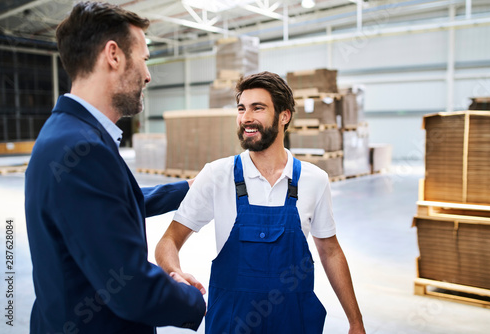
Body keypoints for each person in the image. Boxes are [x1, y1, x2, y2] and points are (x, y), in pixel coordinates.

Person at [24, 2, 205, 333]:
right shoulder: (83, 149)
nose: (148, 75)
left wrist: (186, 190)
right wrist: (195, 299)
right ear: (114, 55)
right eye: (145, 59)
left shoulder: (64, 133)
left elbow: (107, 206)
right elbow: (130, 290)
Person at [155, 71, 365, 333]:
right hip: (232, 323)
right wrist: (175, 272)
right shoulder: (217, 175)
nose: (246, 118)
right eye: (241, 109)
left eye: (258, 108)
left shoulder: (315, 180)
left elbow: (330, 251)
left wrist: (355, 321)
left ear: (284, 115)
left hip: (293, 322)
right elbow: (168, 240)